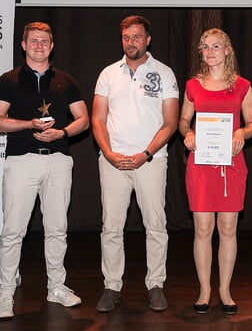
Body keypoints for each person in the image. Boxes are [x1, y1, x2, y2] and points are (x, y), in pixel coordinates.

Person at [0, 22, 90, 319]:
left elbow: (83, 119)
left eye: (45, 41)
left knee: (57, 229)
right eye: (33, 41)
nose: (39, 46)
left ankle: (56, 287)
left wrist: (63, 133)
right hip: (22, 160)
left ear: (52, 45)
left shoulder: (66, 81)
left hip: (58, 160)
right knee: (12, 232)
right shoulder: (8, 80)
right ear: (23, 45)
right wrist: (29, 124)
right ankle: (5, 293)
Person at [92, 15, 179, 313]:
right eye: (127, 37)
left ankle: (156, 284)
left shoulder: (164, 73)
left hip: (150, 161)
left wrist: (146, 154)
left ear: (148, 40)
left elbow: (170, 123)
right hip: (113, 161)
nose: (131, 42)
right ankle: (111, 285)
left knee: (155, 225)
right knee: (111, 227)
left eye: (137, 37)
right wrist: (109, 153)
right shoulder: (108, 74)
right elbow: (97, 119)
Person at [178, 28, 252, 315]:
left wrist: (242, 133)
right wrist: (187, 134)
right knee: (202, 228)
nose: (209, 52)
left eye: (215, 46)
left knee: (227, 228)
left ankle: (224, 289)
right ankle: (204, 290)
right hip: (201, 164)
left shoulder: (243, 86)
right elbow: (183, 121)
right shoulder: (192, 86)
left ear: (227, 50)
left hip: (232, 164)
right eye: (205, 47)